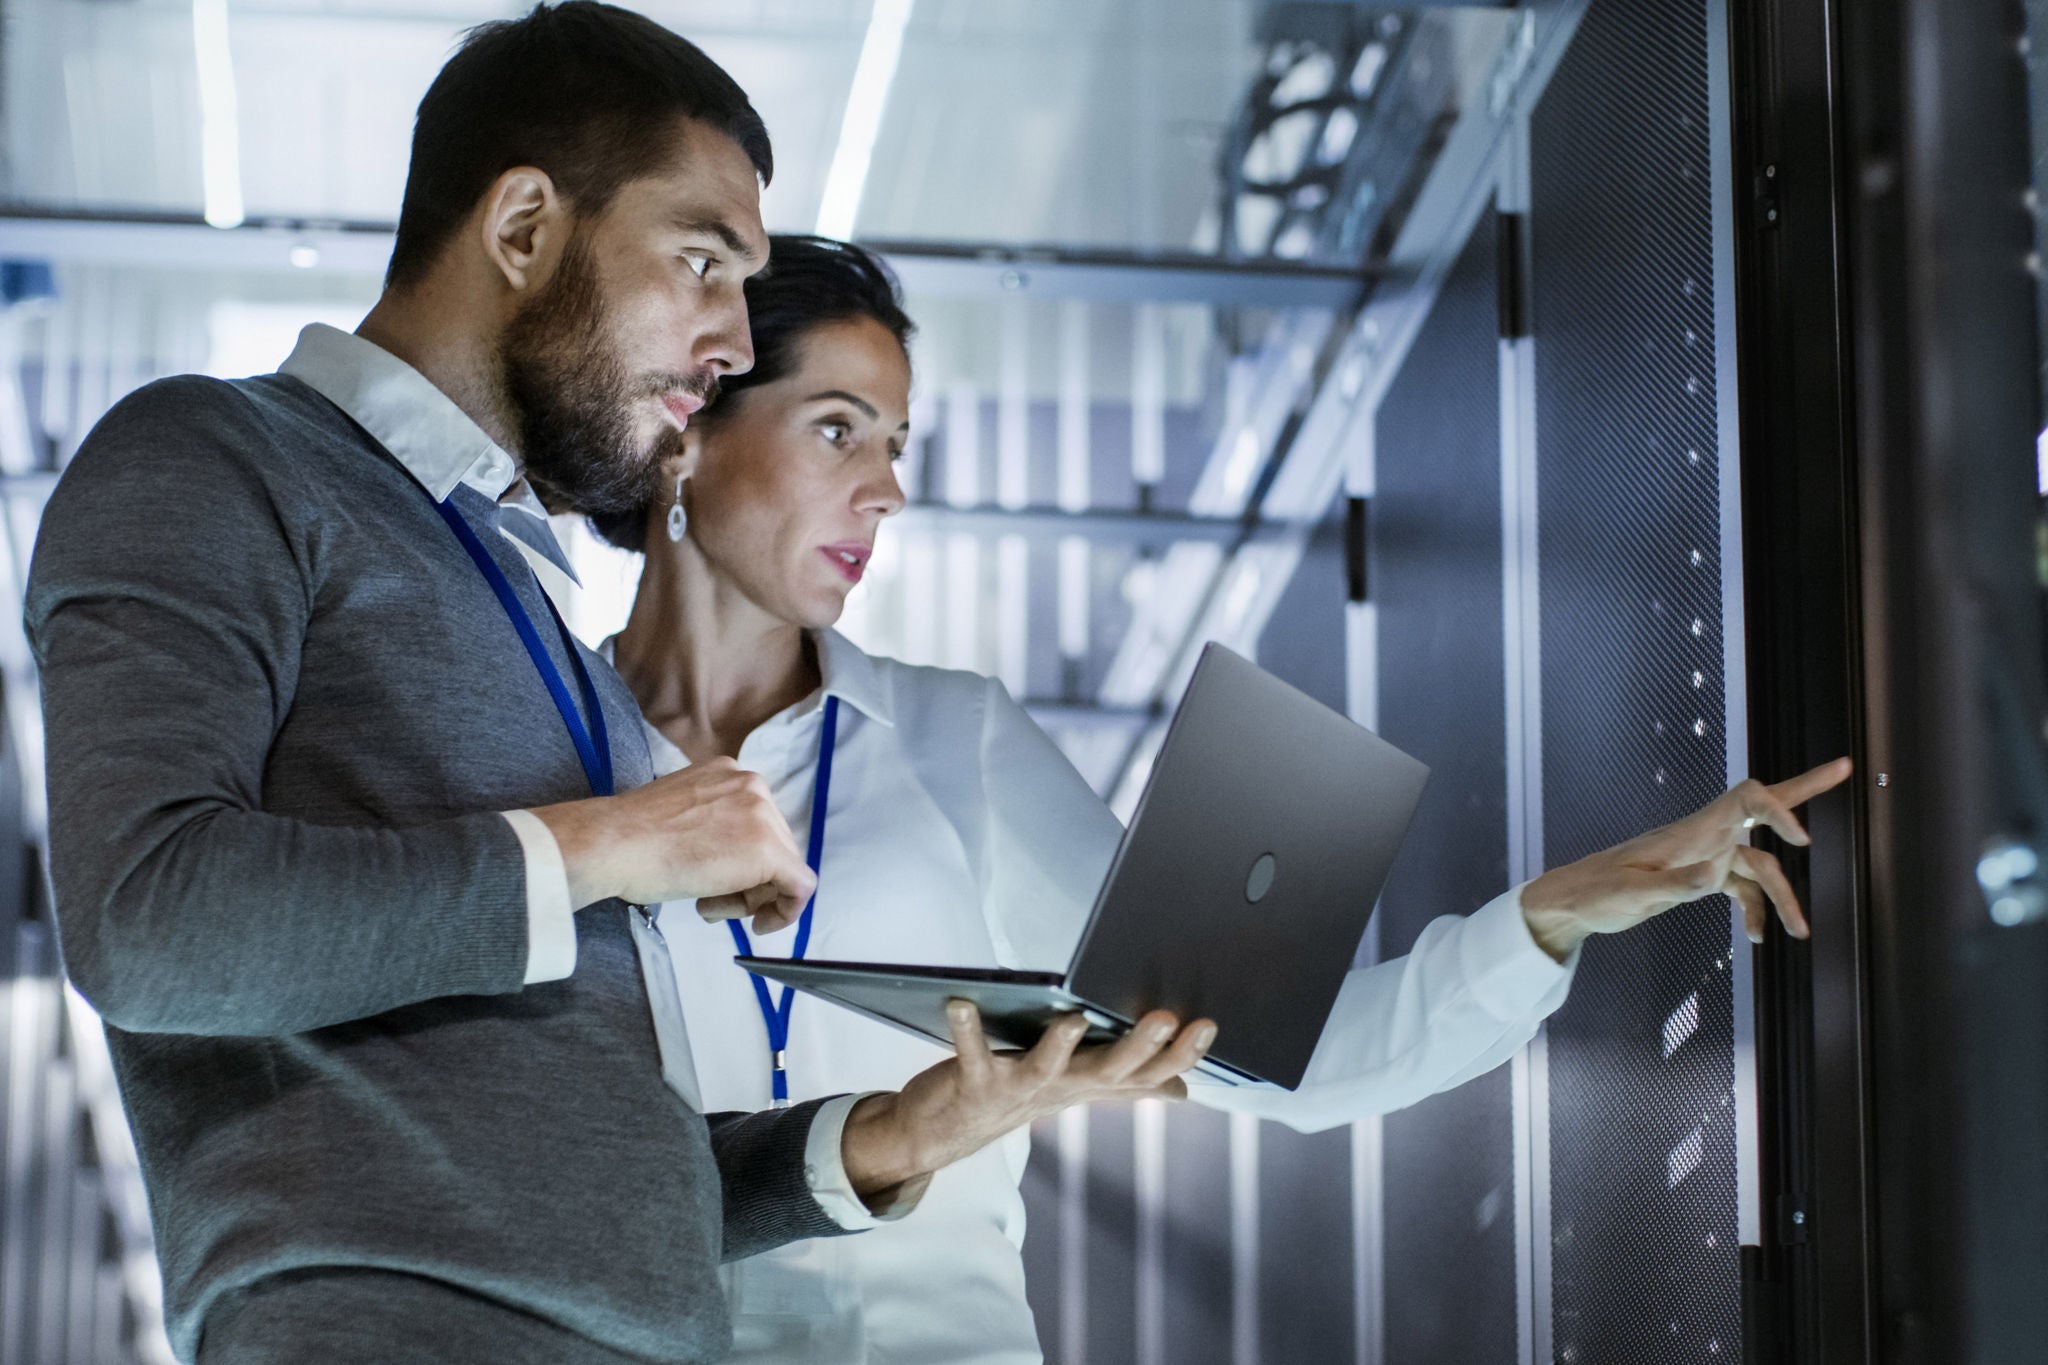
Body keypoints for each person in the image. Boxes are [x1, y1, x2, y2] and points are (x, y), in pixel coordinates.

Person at [22, 10, 1212, 1365]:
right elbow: (148, 922)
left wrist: (901, 1131)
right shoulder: (215, 456)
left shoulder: (518, 591)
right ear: (524, 228)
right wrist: (614, 841)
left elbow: (588, 1171)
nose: (725, 341)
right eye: (701, 262)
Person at [591, 234, 1853, 1364]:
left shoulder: (949, 738)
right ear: (691, 424)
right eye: (836, 429)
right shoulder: (547, 774)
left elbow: (1277, 1065)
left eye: (896, 446)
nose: (886, 491)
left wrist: (1554, 913)